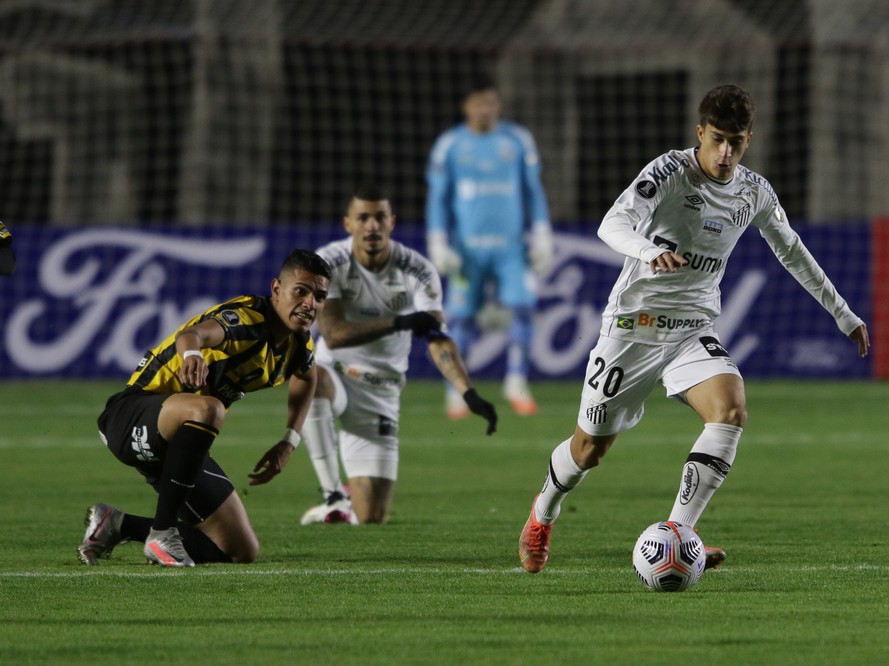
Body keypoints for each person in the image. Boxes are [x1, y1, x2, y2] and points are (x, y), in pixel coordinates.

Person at [517, 84, 871, 574]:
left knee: (730, 409)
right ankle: (543, 513)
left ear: (750, 139)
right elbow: (611, 225)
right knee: (589, 450)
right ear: (699, 132)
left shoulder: (754, 192)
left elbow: (791, 250)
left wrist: (843, 313)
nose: (726, 154)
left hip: (691, 329)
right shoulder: (669, 171)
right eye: (718, 139)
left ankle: (680, 533)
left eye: (738, 142)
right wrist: (647, 250)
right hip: (633, 326)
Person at [77, 249, 333, 567]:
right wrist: (192, 355)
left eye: (319, 296)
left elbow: (308, 378)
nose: (310, 303)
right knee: (210, 410)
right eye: (302, 291)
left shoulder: (298, 344)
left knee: (240, 550)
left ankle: (114, 525)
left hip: (182, 443)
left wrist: (289, 440)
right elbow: (193, 335)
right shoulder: (249, 320)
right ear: (277, 289)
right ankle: (162, 533)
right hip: (130, 417)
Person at [299, 185, 497, 526]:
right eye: (363, 218)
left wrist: (468, 393)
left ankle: (342, 509)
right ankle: (333, 494)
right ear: (349, 224)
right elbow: (334, 333)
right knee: (309, 375)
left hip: (382, 391)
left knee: (371, 518)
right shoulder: (329, 262)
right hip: (338, 374)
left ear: (392, 222)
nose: (372, 226)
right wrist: (400, 321)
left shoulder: (417, 271)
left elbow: (438, 338)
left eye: (379, 217)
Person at [425, 74, 553, 419]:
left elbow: (533, 189)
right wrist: (437, 241)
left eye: (492, 103)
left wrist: (541, 232)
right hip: (468, 252)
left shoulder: (517, 139)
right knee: (461, 319)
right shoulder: (449, 145)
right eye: (480, 103)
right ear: (466, 106)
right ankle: (457, 390)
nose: (487, 110)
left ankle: (517, 382)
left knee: (524, 309)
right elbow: (438, 198)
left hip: (511, 249)